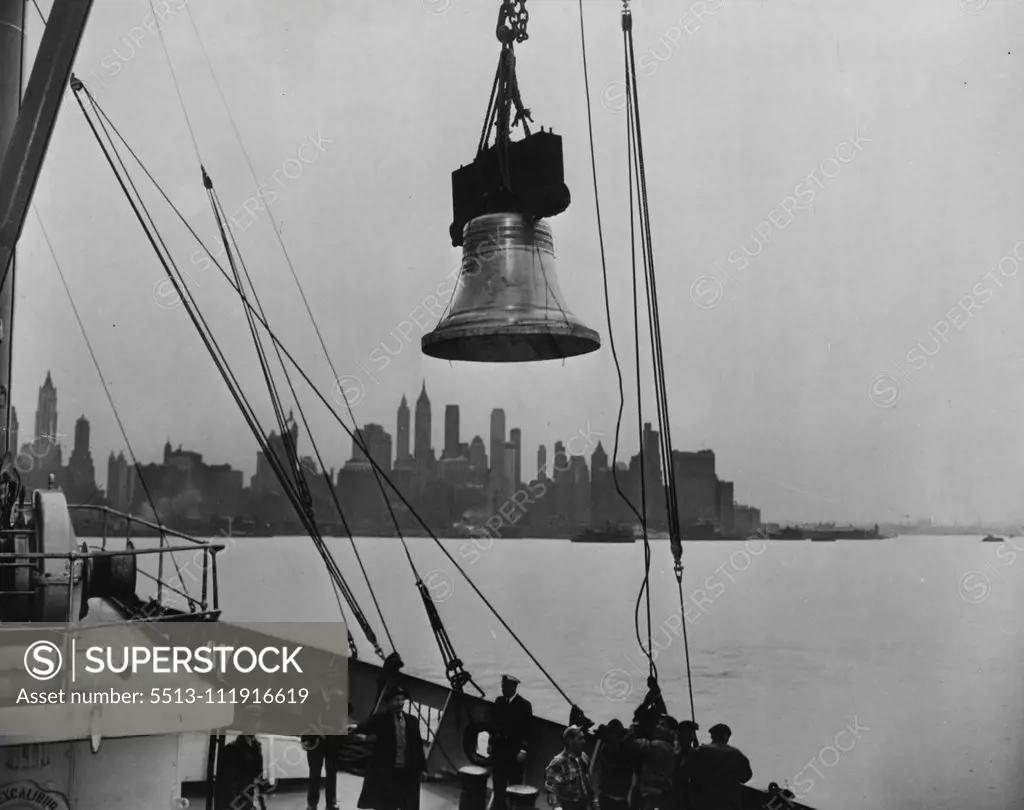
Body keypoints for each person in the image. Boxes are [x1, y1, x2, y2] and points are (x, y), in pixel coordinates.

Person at [349, 686, 426, 810]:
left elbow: (417, 746)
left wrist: (422, 768)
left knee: (407, 804)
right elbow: (361, 729)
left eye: (402, 700)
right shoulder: (380, 720)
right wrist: (358, 734)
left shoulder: (412, 721)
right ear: (389, 702)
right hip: (387, 773)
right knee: (385, 805)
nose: (400, 703)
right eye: (396, 700)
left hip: (407, 773)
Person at [490, 673, 533, 810]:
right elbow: (494, 725)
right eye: (502, 686)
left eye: (506, 686)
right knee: (498, 785)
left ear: (514, 687)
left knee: (514, 785)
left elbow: (528, 730)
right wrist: (491, 743)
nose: (503, 689)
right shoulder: (499, 702)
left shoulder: (524, 706)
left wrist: (523, 750)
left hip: (514, 752)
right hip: (499, 751)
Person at [686, 723, 752, 810]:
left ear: (712, 736)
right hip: (730, 803)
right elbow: (746, 776)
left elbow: (688, 771)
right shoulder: (736, 753)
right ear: (726, 737)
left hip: (704, 801)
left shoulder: (702, 750)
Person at [626, 715, 680, 810]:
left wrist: (633, 731)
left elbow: (631, 745)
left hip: (650, 797)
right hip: (656, 795)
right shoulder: (673, 749)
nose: (657, 727)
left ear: (672, 732)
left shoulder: (661, 746)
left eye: (663, 725)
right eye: (658, 724)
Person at [589, 720, 635, 810]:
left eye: (614, 733)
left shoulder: (626, 749)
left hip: (618, 799)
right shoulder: (606, 748)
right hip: (608, 798)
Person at [544, 725, 593, 810]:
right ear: (570, 740)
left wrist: (593, 800)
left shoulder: (584, 758)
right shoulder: (558, 762)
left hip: (583, 805)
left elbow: (587, 781)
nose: (583, 742)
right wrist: (557, 807)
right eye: (580, 739)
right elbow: (551, 787)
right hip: (568, 806)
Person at [215, 734, 266, 810]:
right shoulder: (231, 749)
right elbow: (229, 782)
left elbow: (258, 775)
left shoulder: (256, 746)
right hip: (239, 797)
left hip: (247, 796)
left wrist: (262, 805)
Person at [301, 733, 341, 810]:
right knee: (314, 774)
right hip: (314, 738)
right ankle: (312, 803)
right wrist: (305, 738)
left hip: (332, 739)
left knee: (332, 772)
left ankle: (331, 802)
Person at [669, 721, 700, 810]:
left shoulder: (694, 753)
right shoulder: (673, 751)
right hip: (676, 793)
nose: (692, 736)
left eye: (693, 733)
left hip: (689, 794)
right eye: (691, 733)